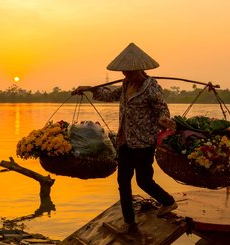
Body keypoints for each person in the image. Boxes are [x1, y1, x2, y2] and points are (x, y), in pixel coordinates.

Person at [72, 43, 178, 233]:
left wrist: (164, 119)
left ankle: (168, 201)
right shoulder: (125, 85)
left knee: (143, 180)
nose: (124, 74)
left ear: (138, 69)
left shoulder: (151, 87)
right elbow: (109, 95)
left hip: (144, 142)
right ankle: (129, 221)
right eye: (123, 72)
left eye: (128, 72)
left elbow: (161, 108)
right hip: (125, 140)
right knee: (123, 182)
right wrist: (90, 89)